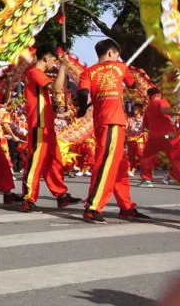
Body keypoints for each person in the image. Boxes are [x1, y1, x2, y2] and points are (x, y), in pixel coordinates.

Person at [77, 39, 150, 224]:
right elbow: (132, 85)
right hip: (112, 122)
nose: (118, 57)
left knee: (119, 166)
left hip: (104, 121)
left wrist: (82, 106)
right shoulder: (120, 67)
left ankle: (126, 207)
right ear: (110, 53)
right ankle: (93, 208)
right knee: (106, 164)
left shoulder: (88, 71)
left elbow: (83, 94)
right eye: (117, 53)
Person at [19, 44, 80, 212]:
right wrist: (63, 68)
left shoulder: (37, 74)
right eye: (53, 61)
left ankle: (61, 195)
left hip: (47, 125)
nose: (53, 64)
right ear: (45, 58)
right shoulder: (35, 72)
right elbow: (57, 88)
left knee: (54, 162)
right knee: (36, 162)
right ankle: (28, 198)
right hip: (39, 125)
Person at [139, 87, 180, 187]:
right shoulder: (161, 101)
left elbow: (145, 125)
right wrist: (177, 113)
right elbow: (164, 110)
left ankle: (146, 180)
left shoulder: (148, 107)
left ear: (149, 96)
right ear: (158, 94)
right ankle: (176, 176)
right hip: (168, 135)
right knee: (175, 157)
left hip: (153, 136)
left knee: (147, 158)